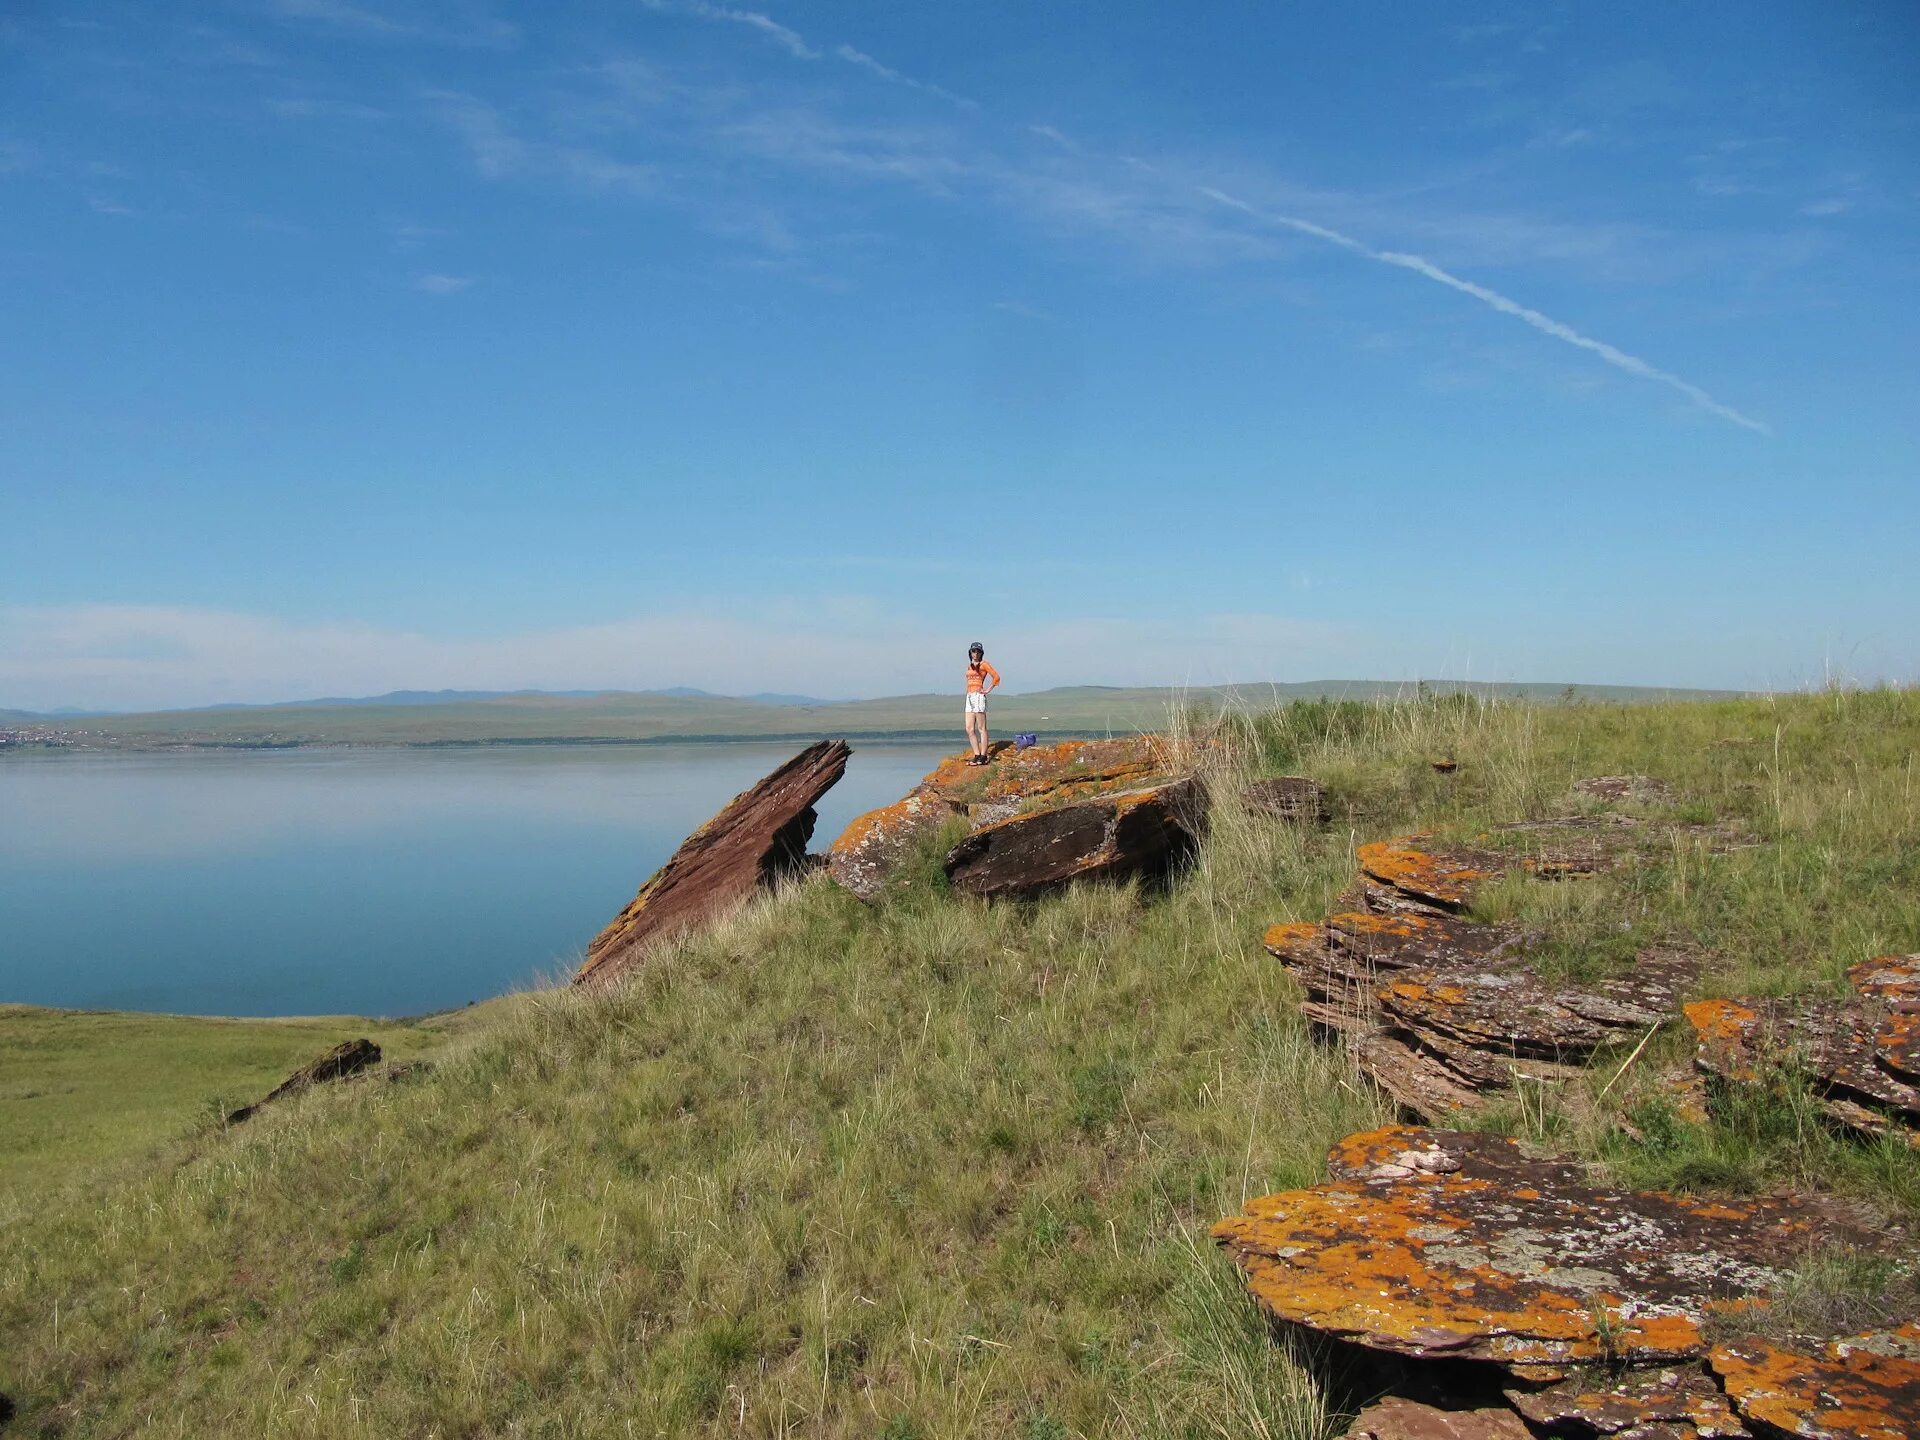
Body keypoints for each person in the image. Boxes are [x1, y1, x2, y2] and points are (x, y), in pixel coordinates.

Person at [963, 642, 1000, 764]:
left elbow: (996, 677)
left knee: (981, 728)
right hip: (969, 696)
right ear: (970, 652)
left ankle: (983, 755)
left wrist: (987, 690)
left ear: (981, 653)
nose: (976, 653)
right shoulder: (969, 666)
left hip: (978, 696)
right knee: (969, 728)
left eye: (978, 651)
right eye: (974, 651)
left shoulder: (984, 664)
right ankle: (976, 754)